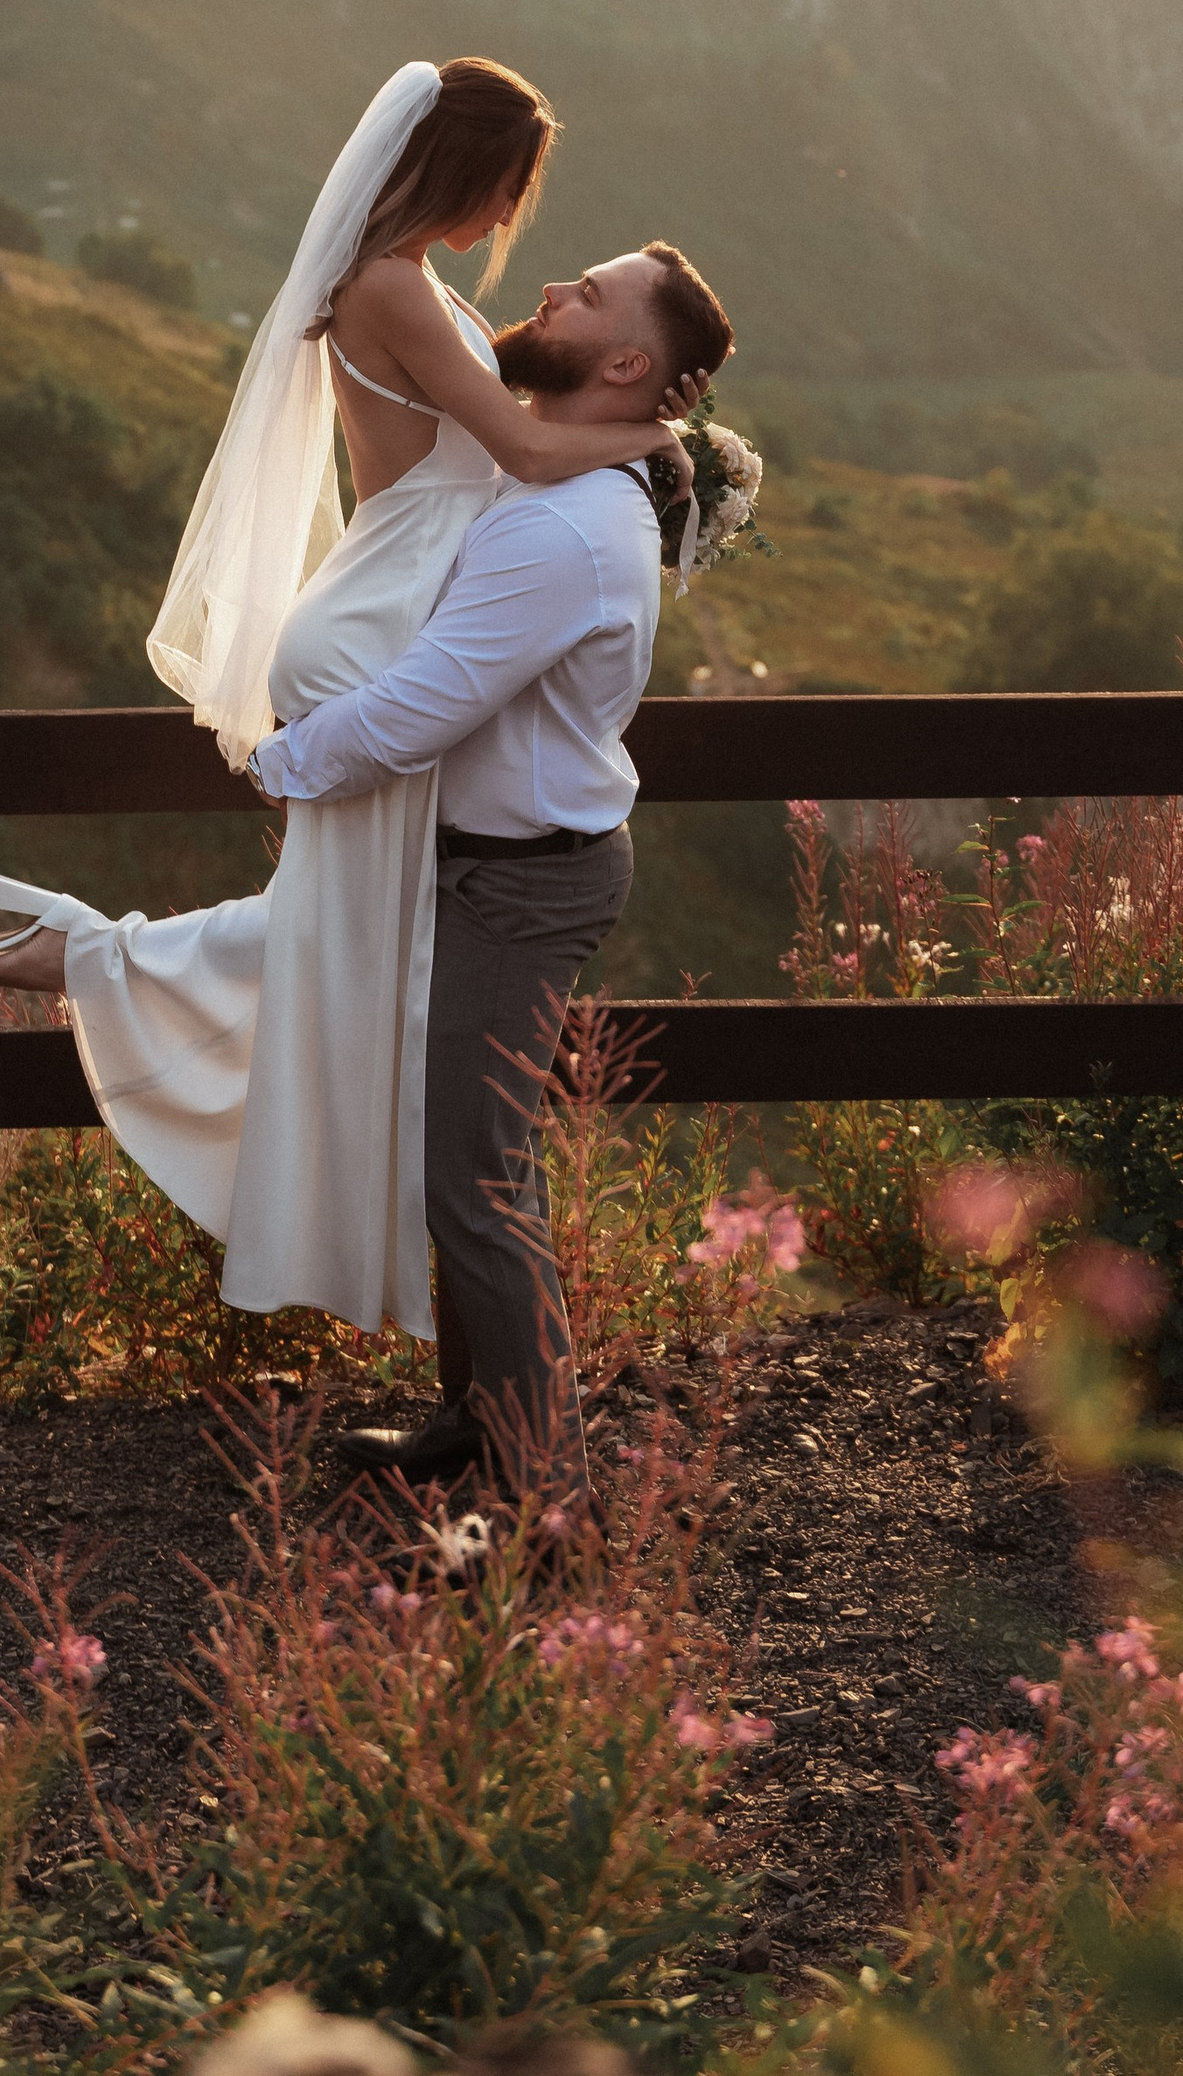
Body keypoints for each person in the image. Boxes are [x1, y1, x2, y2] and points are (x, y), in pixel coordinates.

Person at [0, 59, 709, 1342]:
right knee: (341, 935)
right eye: (502, 196)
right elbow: (527, 451)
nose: (500, 232)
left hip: (401, 592)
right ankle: (91, 961)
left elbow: (520, 446)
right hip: (385, 610)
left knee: (341, 928)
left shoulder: (401, 285)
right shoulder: (389, 285)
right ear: (460, 172)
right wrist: (664, 443)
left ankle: (82, 953)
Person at [257, 237, 736, 1511]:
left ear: (628, 362)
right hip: (486, 865)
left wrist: (278, 759)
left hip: (521, 883)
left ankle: (545, 1500)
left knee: (470, 1182)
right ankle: (477, 1421)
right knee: (475, 1166)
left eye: (582, 295)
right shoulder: (554, 481)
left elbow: (422, 708)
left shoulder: (568, 531)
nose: (550, 294)